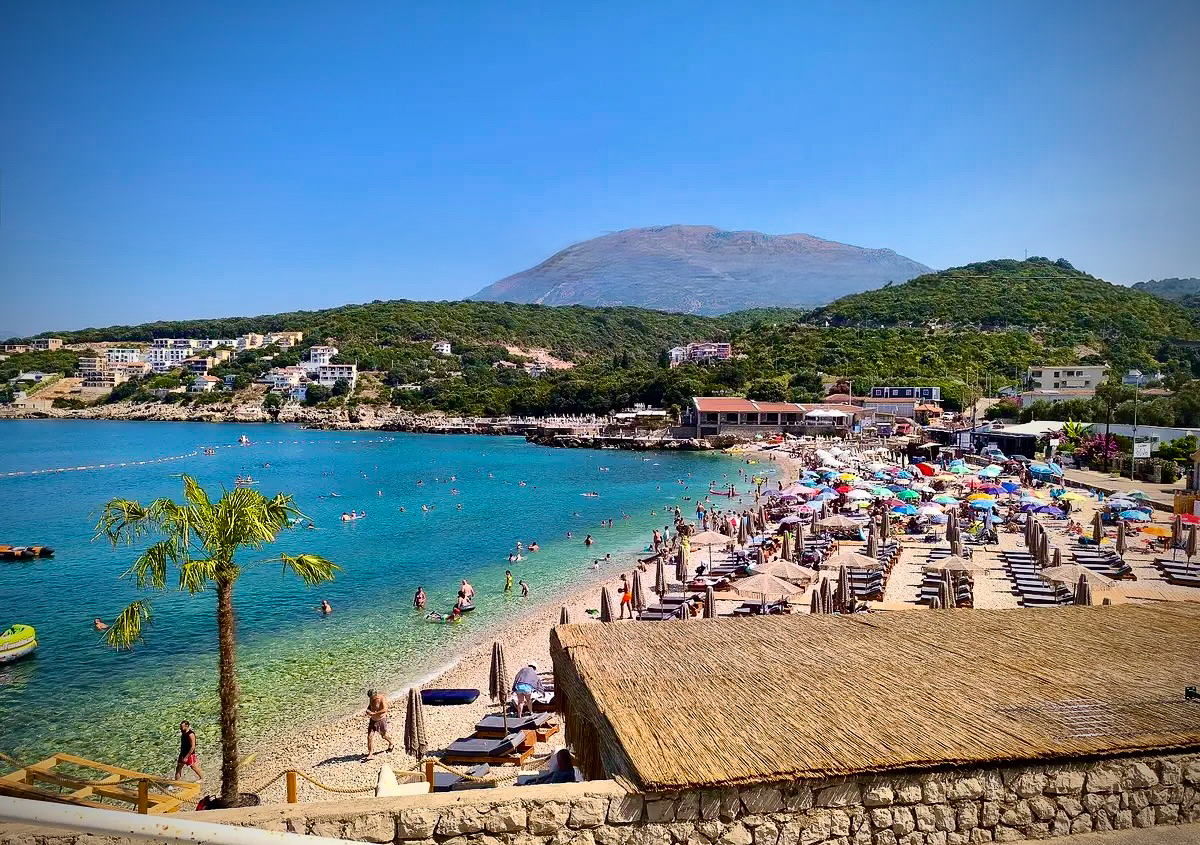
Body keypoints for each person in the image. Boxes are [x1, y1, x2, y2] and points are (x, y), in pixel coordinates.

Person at [364, 690, 394, 761]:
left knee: (383, 735)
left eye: (372, 697)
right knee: (370, 736)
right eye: (370, 698)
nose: (371, 699)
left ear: (376, 695)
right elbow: (370, 707)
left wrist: (375, 713)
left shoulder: (381, 699)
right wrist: (368, 711)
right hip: (372, 720)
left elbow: (385, 709)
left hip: (381, 720)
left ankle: (391, 743)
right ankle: (370, 754)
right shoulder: (371, 699)